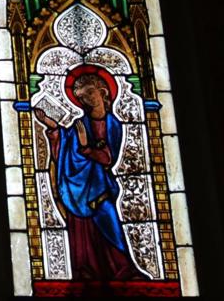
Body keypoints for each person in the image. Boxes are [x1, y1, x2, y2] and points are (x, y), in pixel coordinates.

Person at [33, 70, 144, 281]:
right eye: (82, 97)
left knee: (110, 225)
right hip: (79, 189)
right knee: (82, 233)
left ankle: (124, 271)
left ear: (103, 91)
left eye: (90, 93)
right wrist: (50, 125)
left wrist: (86, 147)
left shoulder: (113, 124)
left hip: (101, 188)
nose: (86, 100)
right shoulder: (80, 124)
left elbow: (107, 158)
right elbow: (65, 144)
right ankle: (86, 272)